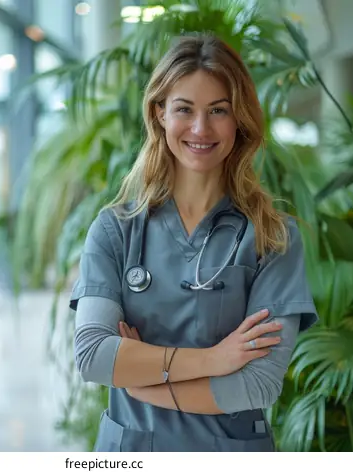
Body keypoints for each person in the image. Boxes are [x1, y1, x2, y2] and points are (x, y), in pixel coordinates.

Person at [68, 34, 319, 452]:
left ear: (239, 119)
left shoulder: (272, 237)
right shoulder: (115, 230)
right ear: (160, 113)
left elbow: (258, 384)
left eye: (218, 110)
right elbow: (94, 355)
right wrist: (213, 360)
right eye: (184, 109)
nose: (201, 129)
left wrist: (143, 382)